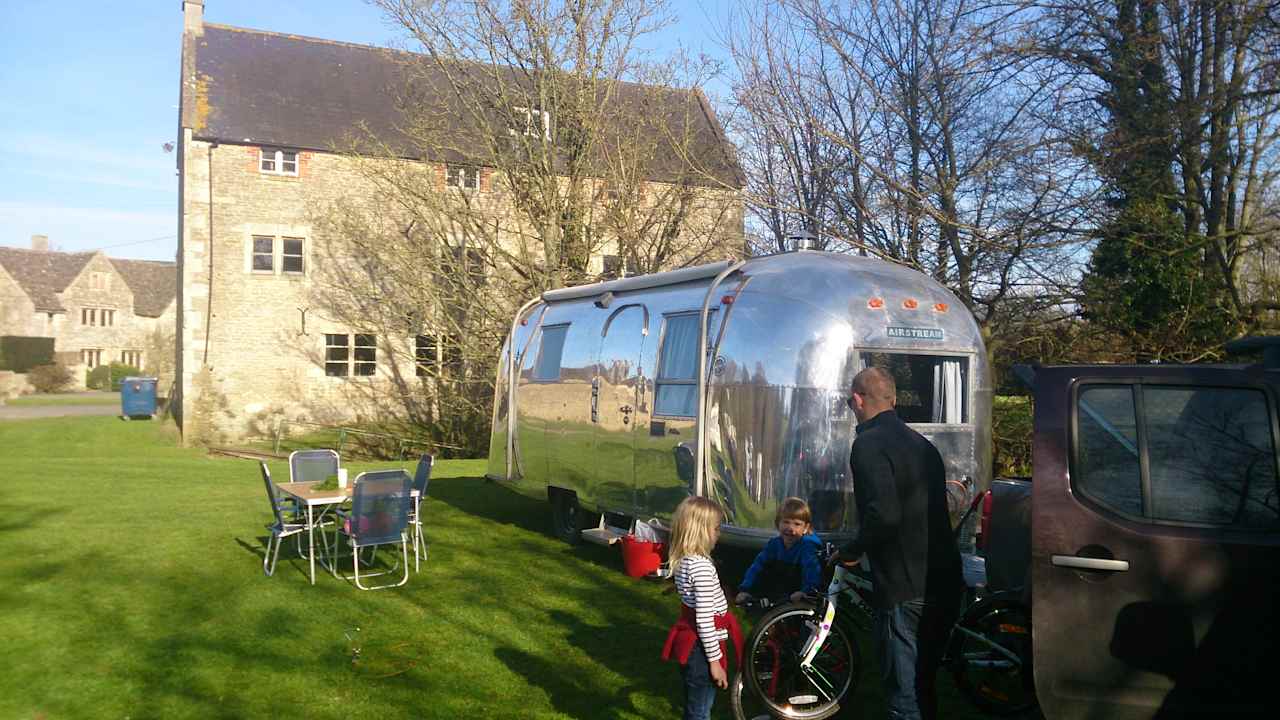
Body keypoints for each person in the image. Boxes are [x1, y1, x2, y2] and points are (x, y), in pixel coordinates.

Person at [831, 366, 963, 720]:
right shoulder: (923, 445)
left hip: (906, 586)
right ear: (892, 400)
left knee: (903, 697)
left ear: (858, 400)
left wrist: (854, 549)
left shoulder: (868, 445)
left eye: (849, 401)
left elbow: (884, 515)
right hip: (946, 579)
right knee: (924, 685)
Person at [661, 496, 743, 720]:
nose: (718, 533)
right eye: (716, 528)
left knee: (693, 706)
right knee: (700, 712)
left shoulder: (685, 561)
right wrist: (715, 663)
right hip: (701, 650)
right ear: (701, 530)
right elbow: (705, 621)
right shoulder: (703, 569)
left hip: (692, 646)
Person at [734, 496, 823, 606]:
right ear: (778, 524)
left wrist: (805, 591)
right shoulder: (775, 544)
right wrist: (745, 589)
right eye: (786, 522)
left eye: (797, 524)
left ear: (805, 528)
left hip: (798, 594)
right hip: (780, 591)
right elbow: (757, 565)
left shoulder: (807, 546)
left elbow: (811, 569)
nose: (790, 528)